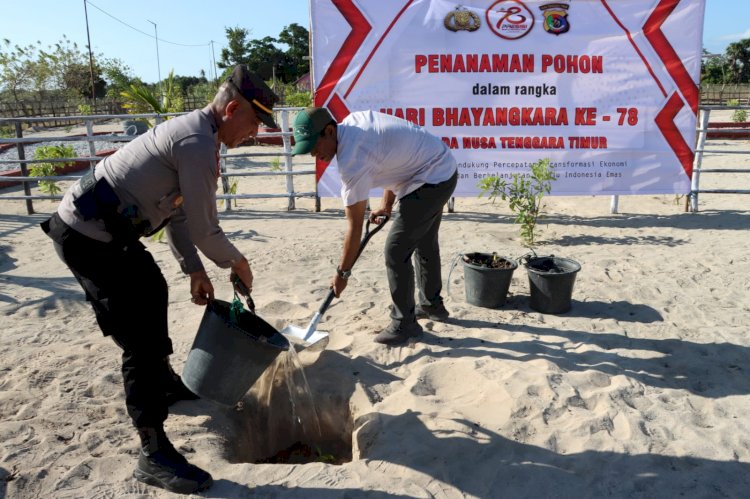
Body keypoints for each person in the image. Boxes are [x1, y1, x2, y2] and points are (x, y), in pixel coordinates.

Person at [40, 65, 278, 495]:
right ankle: (152, 450)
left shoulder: (201, 135)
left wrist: (196, 270)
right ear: (232, 109)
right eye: (255, 122)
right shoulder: (197, 142)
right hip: (85, 236)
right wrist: (236, 263)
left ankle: (164, 383)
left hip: (111, 234)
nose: (255, 133)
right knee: (140, 341)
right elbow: (208, 230)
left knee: (154, 288)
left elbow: (180, 213)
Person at [292, 107, 458, 346]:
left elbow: (355, 226)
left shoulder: (352, 159)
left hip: (432, 177)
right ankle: (433, 306)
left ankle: (405, 324)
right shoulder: (354, 125)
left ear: (329, 131)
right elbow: (393, 160)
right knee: (423, 240)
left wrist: (342, 274)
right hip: (440, 167)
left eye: (313, 146)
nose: (313, 154)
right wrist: (386, 205)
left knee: (396, 250)